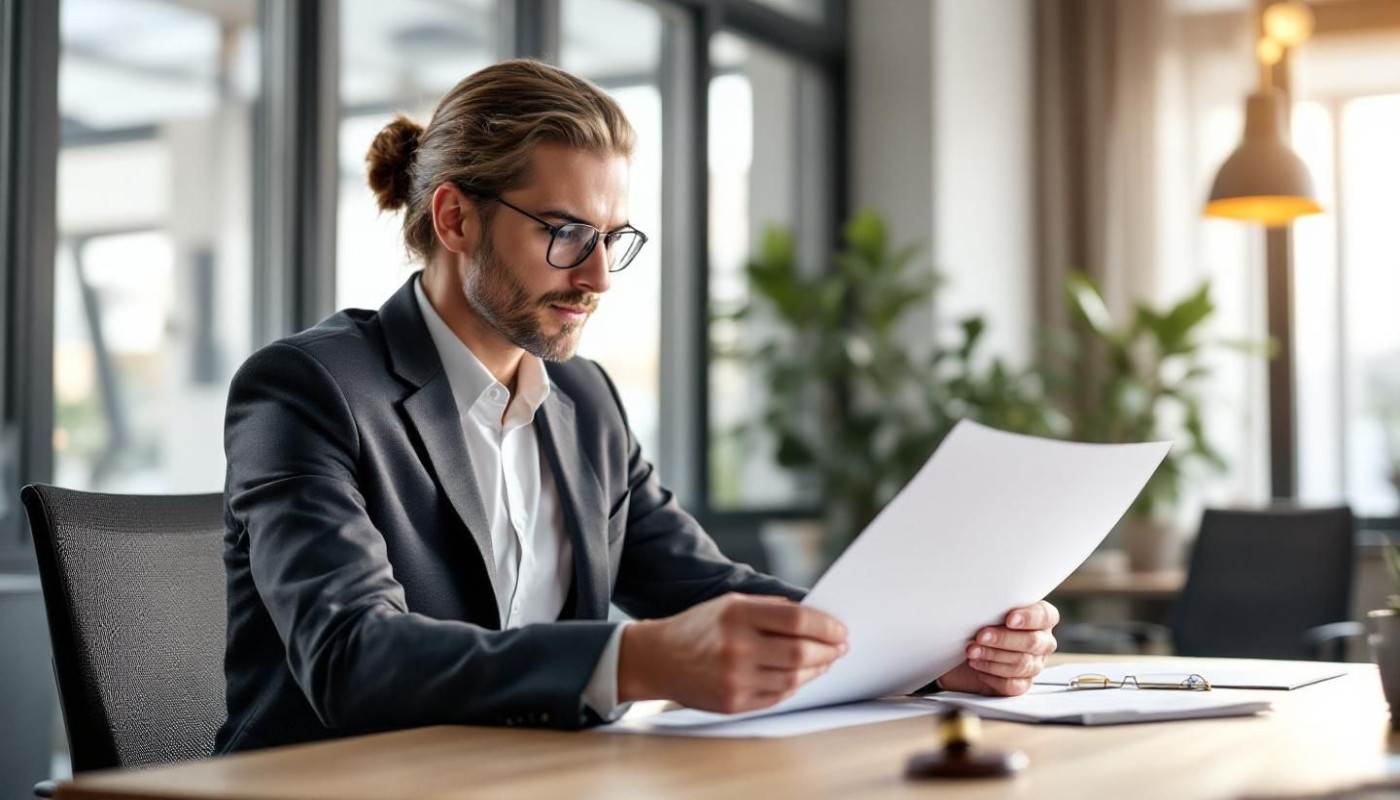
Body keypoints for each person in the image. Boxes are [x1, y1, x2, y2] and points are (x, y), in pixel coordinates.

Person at [214, 59, 1058, 754]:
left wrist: (931, 653)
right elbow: (351, 658)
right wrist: (633, 659)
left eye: (610, 238)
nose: (598, 278)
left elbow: (700, 587)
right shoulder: (308, 389)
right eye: (565, 232)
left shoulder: (583, 399)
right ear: (455, 218)